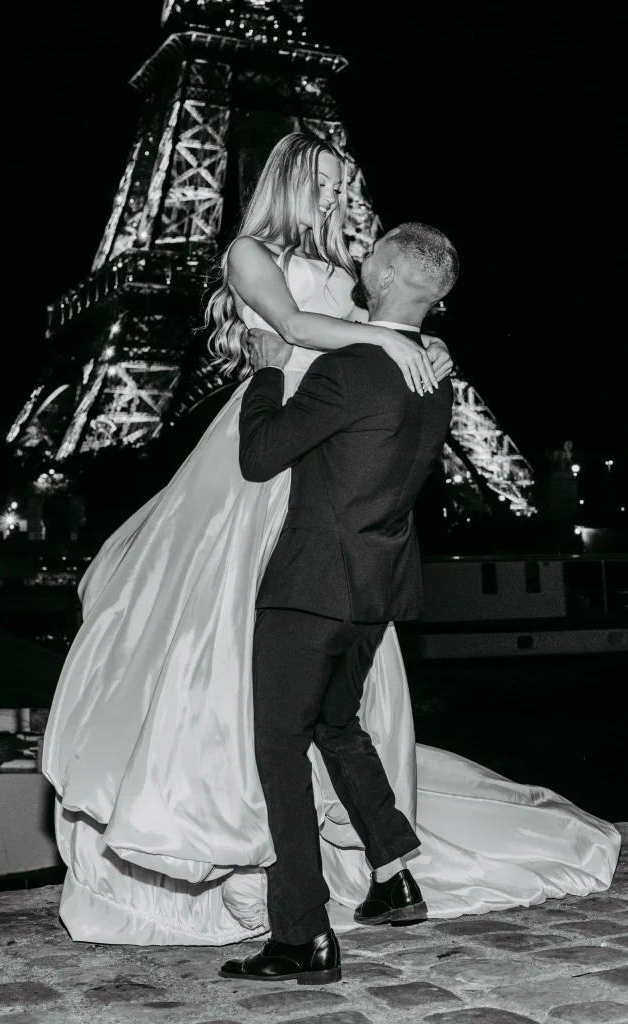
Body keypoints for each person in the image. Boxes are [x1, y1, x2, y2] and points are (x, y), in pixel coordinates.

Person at [43, 132, 619, 947]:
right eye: (325, 179)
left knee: (312, 691)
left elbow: (374, 328)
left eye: (344, 181)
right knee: (220, 651)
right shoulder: (247, 251)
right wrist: (386, 338)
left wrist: (411, 339)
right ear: (287, 178)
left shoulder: (355, 273)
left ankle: (326, 888)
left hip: (325, 454)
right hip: (264, 443)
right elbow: (286, 324)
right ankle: (220, 833)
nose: (339, 193)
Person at [220, 223, 456, 984]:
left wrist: (268, 371)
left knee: (279, 750)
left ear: (385, 276)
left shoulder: (350, 369)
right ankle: (394, 878)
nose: (358, 256)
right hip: (374, 592)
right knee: (336, 723)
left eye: (370, 253)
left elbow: (261, 456)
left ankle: (301, 933)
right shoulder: (434, 376)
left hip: (310, 588)